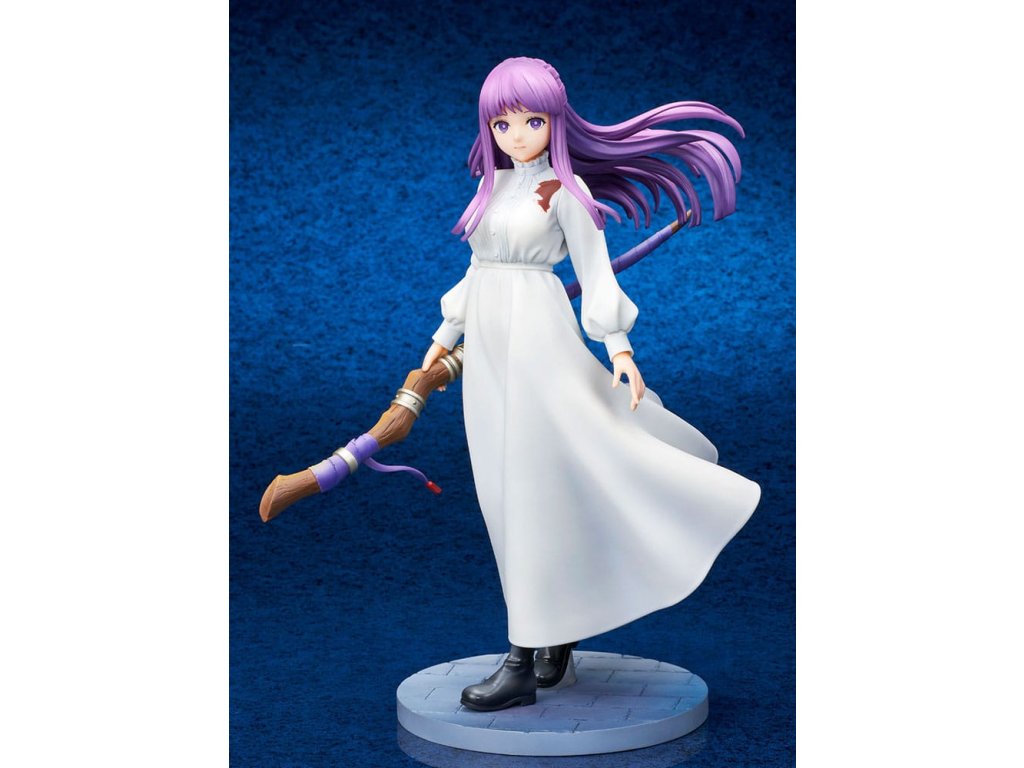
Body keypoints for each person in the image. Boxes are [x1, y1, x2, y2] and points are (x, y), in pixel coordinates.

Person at [420, 57, 761, 712]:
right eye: (502, 123)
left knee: (533, 490)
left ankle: (522, 660)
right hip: (487, 354)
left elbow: (597, 274)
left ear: (555, 122)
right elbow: (477, 271)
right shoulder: (493, 189)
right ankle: (555, 634)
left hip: (537, 344)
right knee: (502, 492)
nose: (517, 134)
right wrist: (443, 337)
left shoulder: (566, 193)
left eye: (532, 121)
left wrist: (620, 348)